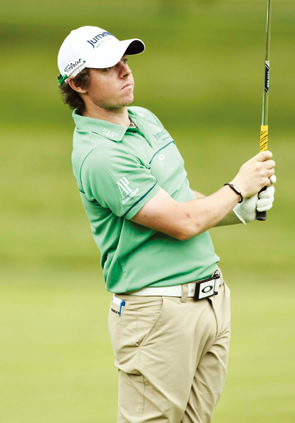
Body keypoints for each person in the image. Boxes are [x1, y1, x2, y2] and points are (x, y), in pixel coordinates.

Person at [57, 26, 276, 423]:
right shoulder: (99, 156)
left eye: (125, 59)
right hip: (157, 311)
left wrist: (234, 210)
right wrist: (238, 189)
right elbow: (181, 223)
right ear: (78, 83)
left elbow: (179, 200)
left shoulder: (143, 118)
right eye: (110, 66)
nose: (125, 70)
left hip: (210, 301)